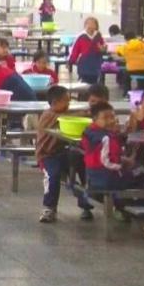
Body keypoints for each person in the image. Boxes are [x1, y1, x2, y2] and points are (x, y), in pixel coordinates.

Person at [34, 86, 92, 223]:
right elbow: (66, 118)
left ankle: (86, 203)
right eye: (66, 100)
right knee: (53, 175)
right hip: (47, 155)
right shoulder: (49, 115)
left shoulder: (62, 112)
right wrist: (85, 113)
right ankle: (49, 207)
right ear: (55, 102)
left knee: (84, 165)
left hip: (63, 152)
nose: (68, 104)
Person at [68, 17, 107, 86]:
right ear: (85, 25)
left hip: (96, 62)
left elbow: (103, 48)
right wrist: (71, 61)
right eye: (88, 23)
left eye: (93, 24)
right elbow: (75, 50)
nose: (90, 25)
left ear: (96, 26)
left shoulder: (98, 36)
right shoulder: (81, 37)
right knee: (84, 81)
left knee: (94, 81)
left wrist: (103, 49)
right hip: (84, 63)